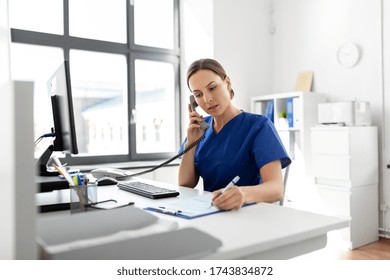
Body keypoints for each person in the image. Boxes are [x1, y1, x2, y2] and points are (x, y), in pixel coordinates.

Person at [178, 58, 291, 210]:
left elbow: (277, 190)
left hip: (250, 216)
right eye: (198, 95)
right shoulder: (199, 131)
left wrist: (243, 194)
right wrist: (190, 144)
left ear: (227, 83)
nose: (207, 99)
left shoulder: (258, 126)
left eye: (212, 88)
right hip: (209, 214)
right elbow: (185, 185)